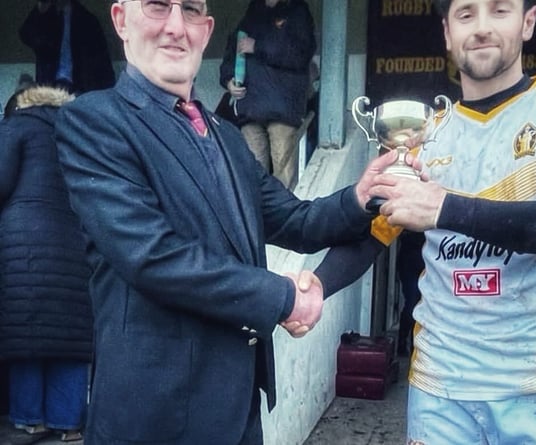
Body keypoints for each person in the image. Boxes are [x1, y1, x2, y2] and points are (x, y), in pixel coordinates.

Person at [53, 1, 394, 444]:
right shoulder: (94, 121)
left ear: (208, 29)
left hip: (238, 410)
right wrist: (284, 296)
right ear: (121, 20)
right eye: (158, 6)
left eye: (191, 10)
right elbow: (153, 257)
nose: (176, 27)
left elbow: (296, 220)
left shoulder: (227, 136)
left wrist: (358, 197)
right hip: (153, 417)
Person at [314, 1, 536, 444]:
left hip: (534, 385)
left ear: (528, 21)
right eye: (466, 13)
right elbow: (371, 237)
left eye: (499, 10)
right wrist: (311, 289)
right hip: (439, 388)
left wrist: (443, 209)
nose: (481, 28)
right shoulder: (425, 134)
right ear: (447, 33)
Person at [0, 85, 92, 445]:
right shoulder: (77, 134)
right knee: (69, 336)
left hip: (25, 243)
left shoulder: (18, 126)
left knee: (27, 330)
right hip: (74, 242)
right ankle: (69, 423)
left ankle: (29, 419)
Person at [219, 0, 316, 189]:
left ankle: (285, 218)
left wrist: (258, 46)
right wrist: (228, 80)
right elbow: (233, 51)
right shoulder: (253, 12)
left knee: (284, 175)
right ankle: (258, 218)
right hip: (250, 108)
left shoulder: (296, 11)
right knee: (253, 174)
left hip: (282, 109)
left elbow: (300, 54)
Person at [19, 0, 116, 94]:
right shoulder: (46, 16)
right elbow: (27, 36)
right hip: (49, 86)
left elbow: (102, 62)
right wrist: (41, 9)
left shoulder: (86, 19)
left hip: (79, 87)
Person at [395, 230, 424, 356]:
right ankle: (403, 343)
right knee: (412, 304)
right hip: (409, 261)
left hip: (424, 263)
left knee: (419, 305)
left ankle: (413, 345)